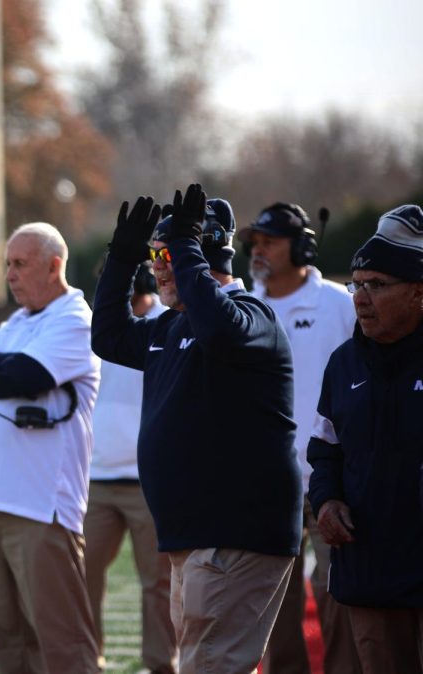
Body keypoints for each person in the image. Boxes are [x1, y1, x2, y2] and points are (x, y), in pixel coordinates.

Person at [91, 187, 302, 674]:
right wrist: (121, 261)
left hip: (233, 534)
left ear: (202, 253)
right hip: (197, 538)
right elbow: (109, 335)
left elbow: (221, 329)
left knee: (210, 667)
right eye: (154, 255)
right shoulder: (171, 326)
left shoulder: (251, 317)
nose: (158, 266)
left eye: (167, 254)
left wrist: (188, 252)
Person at [0, 222, 101, 674]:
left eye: (20, 264)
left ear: (55, 266)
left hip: (41, 508)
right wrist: (4, 368)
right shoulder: (19, 322)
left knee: (63, 648)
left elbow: (22, 377)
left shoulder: (75, 320)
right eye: (7, 264)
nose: (10, 275)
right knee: (9, 645)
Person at [240, 202, 358, 674]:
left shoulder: (340, 304)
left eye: (270, 241)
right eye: (255, 242)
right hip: (266, 483)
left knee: (341, 596)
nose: (258, 249)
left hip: (334, 480)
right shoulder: (241, 306)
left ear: (304, 245)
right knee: (275, 608)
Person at [307, 204, 423, 674]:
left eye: (377, 284)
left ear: (418, 292)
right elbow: (324, 450)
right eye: (357, 284)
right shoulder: (343, 364)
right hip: (368, 569)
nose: (360, 297)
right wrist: (328, 499)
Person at [84, 261, 176, 674]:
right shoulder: (99, 324)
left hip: (148, 481)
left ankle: (162, 664)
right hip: (97, 477)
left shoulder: (167, 322)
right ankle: (87, 662)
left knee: (158, 585)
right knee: (83, 579)